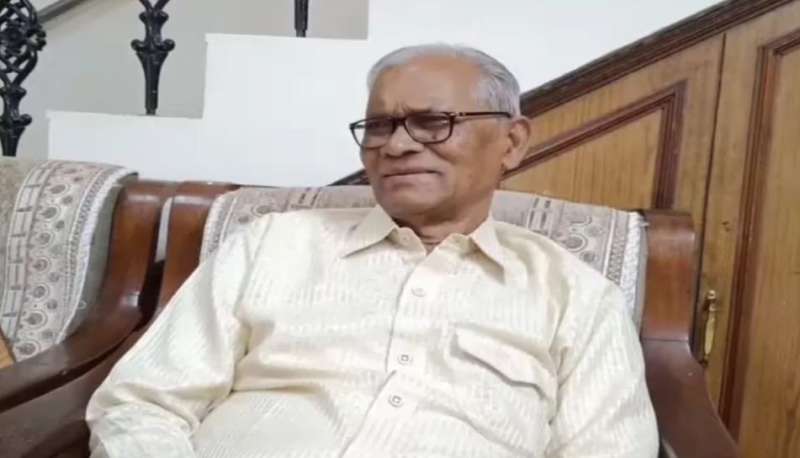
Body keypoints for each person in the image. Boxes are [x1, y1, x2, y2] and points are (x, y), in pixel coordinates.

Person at [87, 43, 658, 458]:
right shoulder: (272, 244)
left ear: (511, 143)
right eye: (381, 126)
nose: (398, 145)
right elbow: (142, 403)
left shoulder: (576, 296)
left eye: (433, 123)